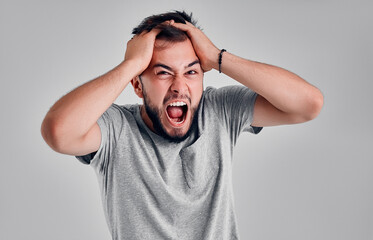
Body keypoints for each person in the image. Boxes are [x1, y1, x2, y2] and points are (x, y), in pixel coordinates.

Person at [41, 10, 323, 240]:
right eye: (163, 73)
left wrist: (216, 57)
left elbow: (308, 104)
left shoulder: (220, 111)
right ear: (138, 86)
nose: (180, 87)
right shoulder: (117, 129)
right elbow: (59, 132)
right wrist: (132, 64)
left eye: (191, 72)